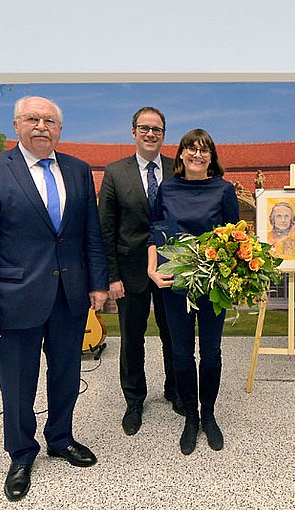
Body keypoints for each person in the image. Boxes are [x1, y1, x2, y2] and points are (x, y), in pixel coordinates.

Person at [0, 96, 109, 501]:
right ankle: (22, 453)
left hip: (70, 297)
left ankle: (60, 437)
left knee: (66, 376)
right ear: (16, 124)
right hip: (13, 300)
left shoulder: (78, 170)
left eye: (49, 120)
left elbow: (90, 234)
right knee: (18, 384)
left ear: (60, 128)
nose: (41, 126)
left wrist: (98, 283)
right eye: (32, 119)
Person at [147, 129, 239, 455]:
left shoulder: (224, 190)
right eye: (191, 149)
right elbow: (154, 232)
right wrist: (151, 268)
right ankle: (190, 416)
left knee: (211, 353)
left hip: (214, 284)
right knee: (182, 353)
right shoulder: (167, 189)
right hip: (176, 283)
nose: (197, 155)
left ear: (211, 157)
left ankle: (209, 414)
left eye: (204, 150)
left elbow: (236, 238)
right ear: (181, 154)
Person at [98, 106, 183, 437]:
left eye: (157, 129)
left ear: (164, 134)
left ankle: (175, 391)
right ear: (133, 132)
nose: (151, 134)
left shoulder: (177, 170)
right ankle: (134, 400)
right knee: (132, 339)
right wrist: (111, 277)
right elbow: (105, 227)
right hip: (130, 271)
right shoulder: (116, 172)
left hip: (171, 268)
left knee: (173, 335)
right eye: (144, 128)